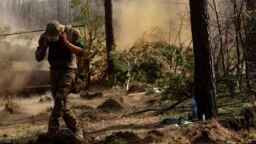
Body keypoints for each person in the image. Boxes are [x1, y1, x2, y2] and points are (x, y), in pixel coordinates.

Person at [35, 20, 85, 140]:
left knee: (59, 100)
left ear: (61, 31)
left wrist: (66, 42)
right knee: (63, 105)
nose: (53, 39)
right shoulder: (44, 37)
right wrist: (45, 45)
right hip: (54, 72)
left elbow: (82, 52)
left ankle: (52, 131)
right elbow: (38, 57)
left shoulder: (73, 33)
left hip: (69, 71)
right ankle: (76, 130)